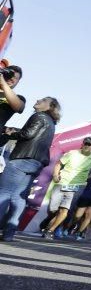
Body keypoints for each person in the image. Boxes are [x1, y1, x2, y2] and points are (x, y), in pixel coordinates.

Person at [0, 97, 60, 241]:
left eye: (44, 100)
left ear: (49, 106)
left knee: (4, 193)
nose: (38, 99)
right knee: (18, 198)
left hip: (22, 159)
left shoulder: (38, 115)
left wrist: (10, 133)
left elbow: (28, 134)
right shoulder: (51, 122)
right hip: (36, 162)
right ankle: (9, 234)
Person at [43, 137, 91, 239]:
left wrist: (90, 177)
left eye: (89, 144)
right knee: (52, 210)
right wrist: (56, 175)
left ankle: (50, 230)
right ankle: (48, 222)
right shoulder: (72, 153)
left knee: (65, 209)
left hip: (77, 186)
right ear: (82, 144)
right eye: (86, 144)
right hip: (62, 182)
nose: (87, 146)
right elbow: (58, 164)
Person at [0, 65, 25, 132]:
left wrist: (2, 82)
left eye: (15, 78)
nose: (11, 79)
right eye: (9, 75)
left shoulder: (19, 98)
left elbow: (18, 107)